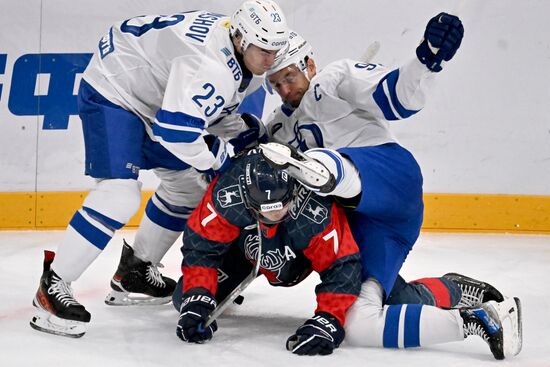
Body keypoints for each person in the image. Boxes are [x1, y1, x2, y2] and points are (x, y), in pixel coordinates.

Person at [261, 14, 522, 358]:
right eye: (276, 85)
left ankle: (325, 170)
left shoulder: (333, 78)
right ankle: (468, 309)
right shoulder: (278, 126)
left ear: (309, 64)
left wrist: (427, 58)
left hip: (391, 181)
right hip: (363, 222)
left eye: (289, 77)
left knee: (321, 168)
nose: (284, 90)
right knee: (358, 323)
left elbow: (396, 95)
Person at [30, 0, 290, 338]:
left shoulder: (234, 45)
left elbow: (199, 111)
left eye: (275, 49)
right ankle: (52, 285)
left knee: (187, 188)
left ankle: (134, 271)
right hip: (116, 89)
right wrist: (218, 160)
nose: (270, 60)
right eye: (263, 50)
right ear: (240, 39)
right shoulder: (211, 65)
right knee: (118, 195)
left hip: (150, 94)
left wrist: (240, 130)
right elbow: (176, 133)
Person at [173, 149, 522, 359]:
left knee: (391, 301)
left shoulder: (312, 209)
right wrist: (197, 297)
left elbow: (342, 265)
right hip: (250, 248)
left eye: (285, 206)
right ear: (246, 199)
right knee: (184, 297)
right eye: (269, 210)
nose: (279, 213)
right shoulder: (227, 194)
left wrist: (329, 320)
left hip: (310, 248)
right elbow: (201, 248)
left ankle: (452, 289)